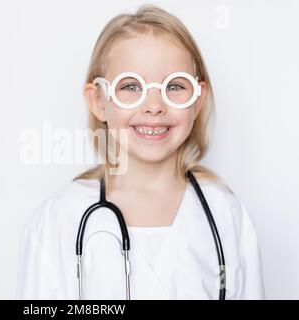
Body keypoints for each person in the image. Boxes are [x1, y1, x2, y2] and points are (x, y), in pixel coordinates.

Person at [16, 4, 265, 299]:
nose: (154, 105)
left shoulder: (226, 215)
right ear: (98, 101)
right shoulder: (58, 220)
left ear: (198, 101)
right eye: (131, 86)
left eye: (175, 86)